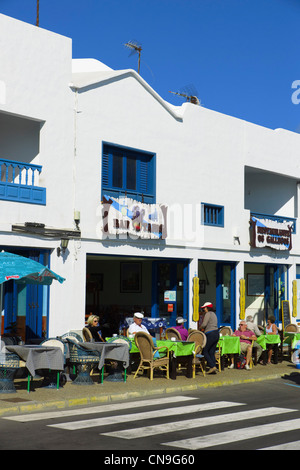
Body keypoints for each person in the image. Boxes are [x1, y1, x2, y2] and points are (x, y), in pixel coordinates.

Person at [200, 302, 219, 374]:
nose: (203, 309)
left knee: (205, 351)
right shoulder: (214, 314)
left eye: (204, 308)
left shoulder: (208, 314)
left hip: (210, 333)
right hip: (216, 333)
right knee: (211, 351)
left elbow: (204, 324)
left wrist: (200, 327)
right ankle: (213, 367)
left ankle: (212, 366)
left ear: (207, 308)